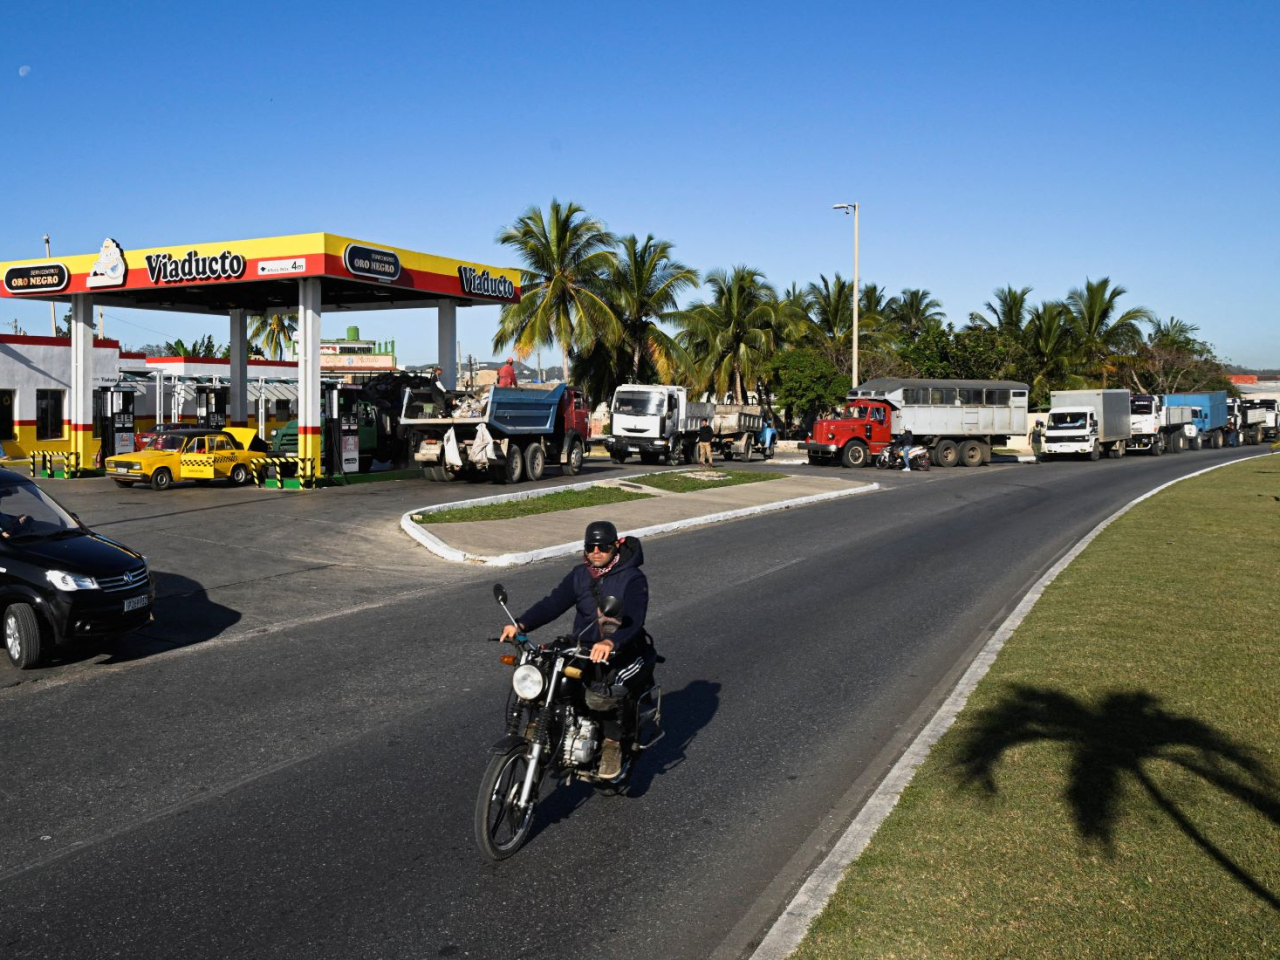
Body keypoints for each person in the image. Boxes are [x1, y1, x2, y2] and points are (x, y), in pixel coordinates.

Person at [500, 520, 652, 780]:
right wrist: (521, 623)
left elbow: (635, 618)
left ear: (615, 546)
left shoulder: (632, 577)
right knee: (545, 674)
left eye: (603, 546)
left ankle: (612, 744)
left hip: (623, 648)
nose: (596, 551)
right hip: (582, 647)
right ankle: (541, 726)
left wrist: (611, 642)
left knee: (603, 693)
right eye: (591, 546)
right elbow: (553, 603)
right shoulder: (580, 575)